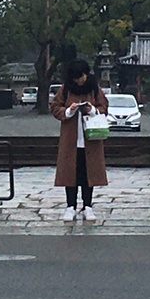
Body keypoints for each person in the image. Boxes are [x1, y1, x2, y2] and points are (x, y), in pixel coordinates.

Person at [50, 59, 109, 222]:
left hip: (91, 137)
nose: (80, 80)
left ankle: (88, 206)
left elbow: (104, 107)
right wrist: (69, 111)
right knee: (70, 173)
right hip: (71, 138)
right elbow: (55, 107)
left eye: (82, 76)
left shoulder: (94, 88)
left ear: (87, 74)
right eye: (76, 78)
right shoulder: (65, 89)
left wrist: (92, 110)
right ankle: (70, 206)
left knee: (88, 173)